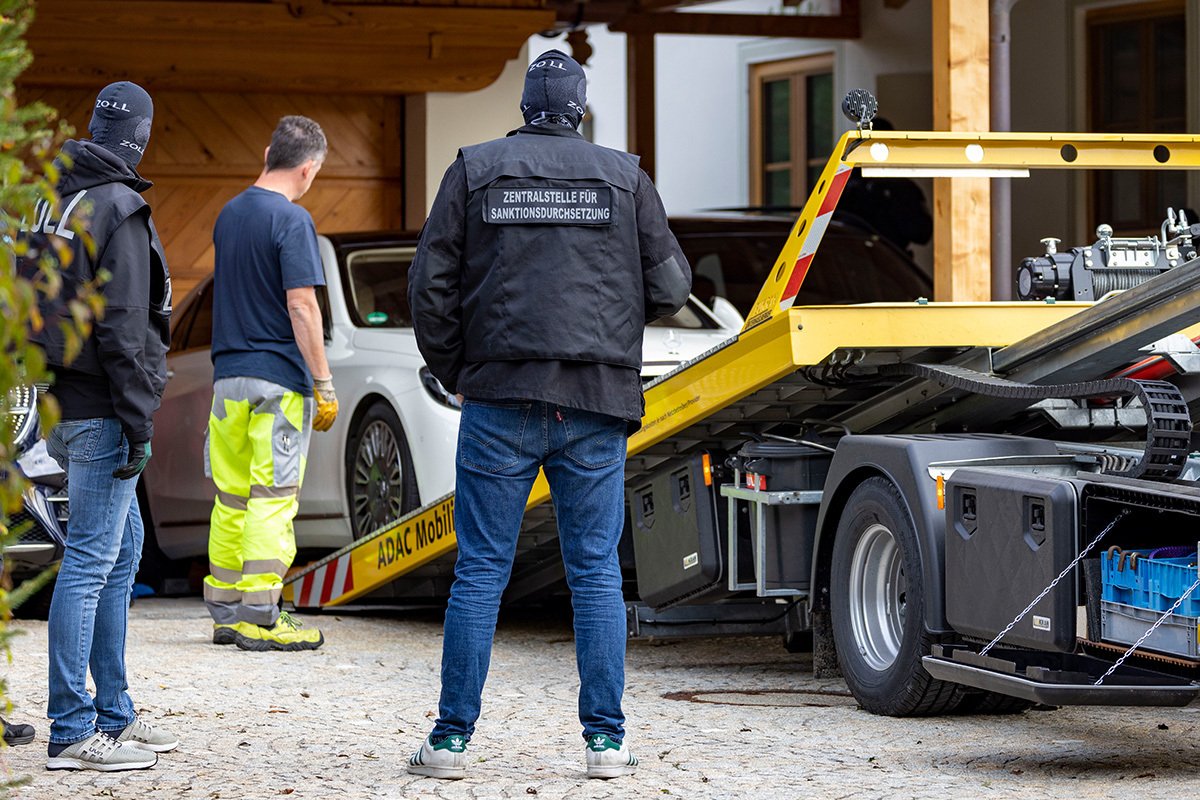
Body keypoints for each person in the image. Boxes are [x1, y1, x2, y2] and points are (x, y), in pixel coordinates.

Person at [407, 50, 691, 780]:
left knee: (479, 571)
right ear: (580, 108)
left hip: (498, 397)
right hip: (596, 401)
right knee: (594, 572)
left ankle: (449, 741)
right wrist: (614, 318)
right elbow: (672, 283)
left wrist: (457, 371)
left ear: (526, 106)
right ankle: (605, 743)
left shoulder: (475, 168)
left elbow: (429, 286)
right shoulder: (623, 176)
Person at [18, 81, 176, 771]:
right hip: (102, 411)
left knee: (123, 550)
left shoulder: (50, 200)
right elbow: (124, 329)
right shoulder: (122, 208)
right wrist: (140, 423)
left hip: (60, 403)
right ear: (140, 136)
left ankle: (115, 713)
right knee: (88, 563)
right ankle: (72, 730)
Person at [203, 116, 336, 652]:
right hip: (277, 382)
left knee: (231, 497)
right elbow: (301, 305)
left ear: (266, 153)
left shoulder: (228, 215)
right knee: (273, 497)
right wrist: (323, 382)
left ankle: (227, 611)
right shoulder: (292, 219)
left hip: (226, 382)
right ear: (307, 169)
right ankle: (262, 614)